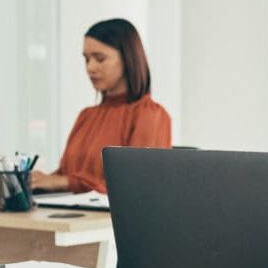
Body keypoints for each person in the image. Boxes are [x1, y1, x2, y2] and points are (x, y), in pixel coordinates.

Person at [32, 18, 171, 194]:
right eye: (86, 59)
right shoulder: (86, 116)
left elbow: (137, 185)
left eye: (100, 58)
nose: (90, 67)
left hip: (111, 221)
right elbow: (65, 176)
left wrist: (65, 182)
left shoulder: (150, 115)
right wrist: (36, 182)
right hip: (72, 217)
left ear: (128, 58)